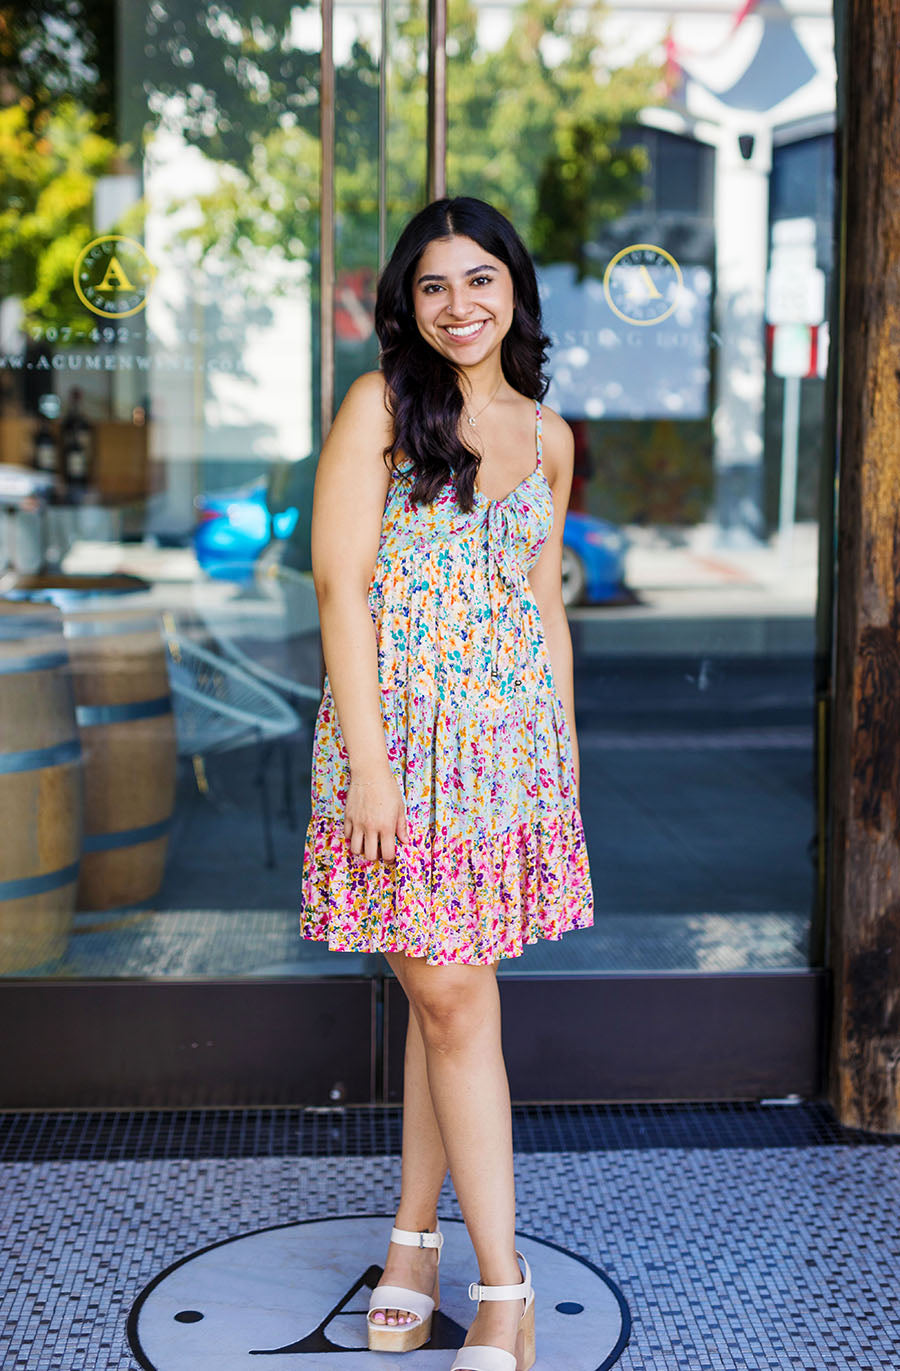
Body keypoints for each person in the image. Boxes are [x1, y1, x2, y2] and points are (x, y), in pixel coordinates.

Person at [300, 196, 594, 1371]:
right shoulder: (378, 408)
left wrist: (559, 768)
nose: (458, 306)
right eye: (433, 286)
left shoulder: (551, 436)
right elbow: (338, 592)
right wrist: (370, 771)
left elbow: (543, 606)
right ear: (406, 306)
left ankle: (417, 1242)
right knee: (457, 1002)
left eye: (480, 281)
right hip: (399, 754)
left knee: (445, 1003)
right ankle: (508, 1291)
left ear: (514, 290)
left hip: (508, 763)